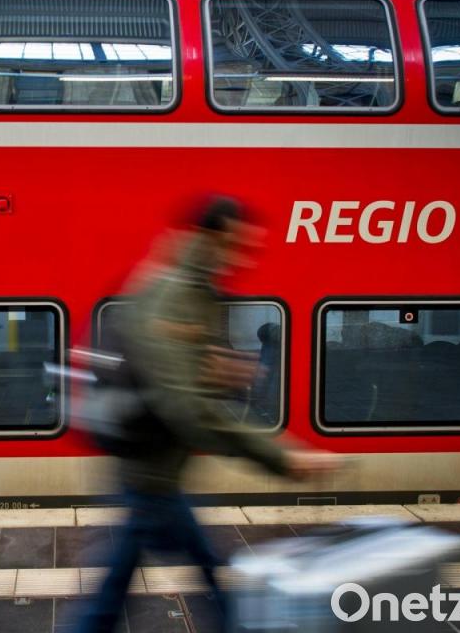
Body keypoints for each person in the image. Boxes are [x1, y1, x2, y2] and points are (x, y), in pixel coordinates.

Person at [76, 196, 340, 633]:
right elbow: (186, 405)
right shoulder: (178, 294)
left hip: (156, 474)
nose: (244, 255)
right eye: (238, 243)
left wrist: (219, 374)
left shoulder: (191, 288)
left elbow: (177, 376)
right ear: (212, 237)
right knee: (134, 592)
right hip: (149, 477)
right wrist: (283, 457)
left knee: (186, 575)